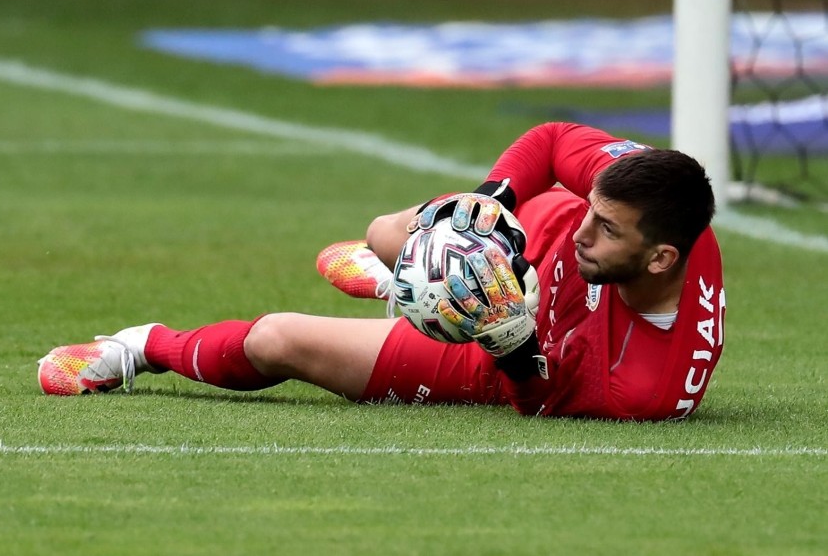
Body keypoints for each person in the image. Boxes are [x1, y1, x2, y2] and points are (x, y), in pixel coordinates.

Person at [38, 122, 726, 421]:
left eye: (603, 228)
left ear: (662, 258)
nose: (584, 226)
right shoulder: (646, 195)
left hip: (513, 347)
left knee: (275, 340)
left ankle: (135, 347)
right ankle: (411, 278)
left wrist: (509, 341)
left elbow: (539, 400)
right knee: (381, 232)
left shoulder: (638, 388)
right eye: (591, 207)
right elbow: (548, 142)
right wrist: (494, 202)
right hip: (513, 243)